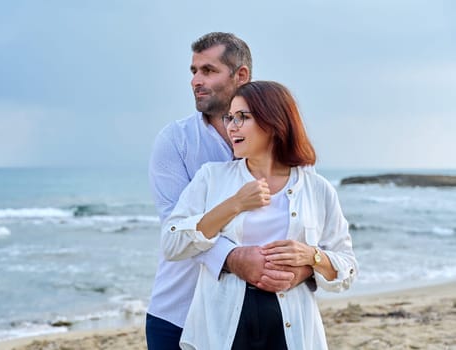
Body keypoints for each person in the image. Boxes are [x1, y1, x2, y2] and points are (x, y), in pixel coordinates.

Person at [147, 33, 314, 349]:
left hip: (259, 319)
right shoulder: (175, 141)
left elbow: (314, 238)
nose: (196, 80)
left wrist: (304, 269)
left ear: (241, 75)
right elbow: (174, 228)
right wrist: (234, 257)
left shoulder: (291, 163)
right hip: (178, 312)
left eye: (208, 71)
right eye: (193, 71)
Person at [162, 81, 358, 349]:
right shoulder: (211, 177)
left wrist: (311, 257)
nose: (232, 127)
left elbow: (347, 268)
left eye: (243, 117)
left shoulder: (317, 188)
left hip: (292, 330)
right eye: (230, 117)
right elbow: (172, 244)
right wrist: (234, 204)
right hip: (224, 328)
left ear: (274, 122)